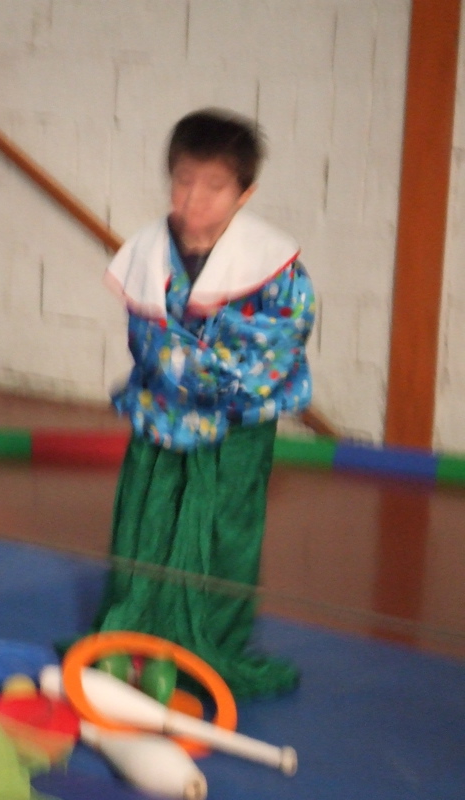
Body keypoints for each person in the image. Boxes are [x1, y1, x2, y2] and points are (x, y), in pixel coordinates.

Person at [92, 108, 315, 698]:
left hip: (236, 426)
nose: (195, 198)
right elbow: (146, 340)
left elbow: (278, 341)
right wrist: (186, 367)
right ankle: (136, 626)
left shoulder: (273, 264)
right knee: (148, 516)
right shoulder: (149, 253)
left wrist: (197, 372)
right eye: (184, 180)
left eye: (214, 185)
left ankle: (210, 638)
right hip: (161, 416)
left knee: (223, 529)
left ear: (244, 193)